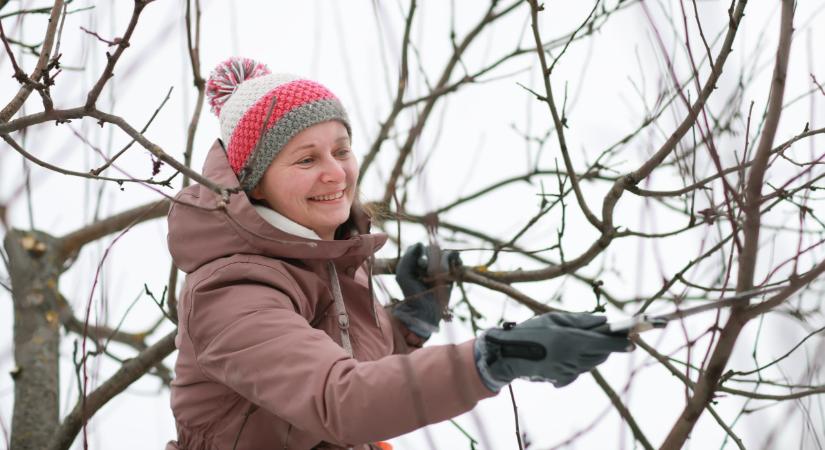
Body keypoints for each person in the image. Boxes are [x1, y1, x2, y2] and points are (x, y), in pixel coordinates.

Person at [165, 57, 631, 450]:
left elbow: (341, 359)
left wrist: (408, 323)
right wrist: (497, 357)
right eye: (306, 160)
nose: (336, 174)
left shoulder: (322, 256)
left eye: (341, 151)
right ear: (256, 184)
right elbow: (338, 399)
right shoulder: (231, 292)